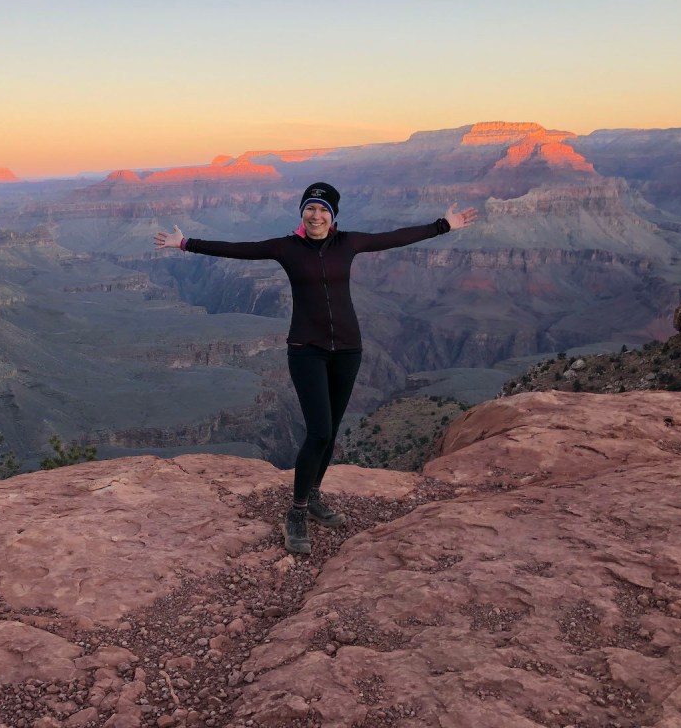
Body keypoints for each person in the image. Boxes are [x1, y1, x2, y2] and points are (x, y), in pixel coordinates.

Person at [154, 183, 477, 554]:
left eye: (323, 209)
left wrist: (443, 226)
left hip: (348, 351)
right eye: (310, 209)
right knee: (319, 431)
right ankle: (296, 512)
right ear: (302, 214)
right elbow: (239, 251)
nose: (316, 215)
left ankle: (314, 495)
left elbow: (395, 238)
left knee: (332, 431)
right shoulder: (285, 248)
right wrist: (185, 243)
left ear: (332, 215)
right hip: (306, 350)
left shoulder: (349, 244)